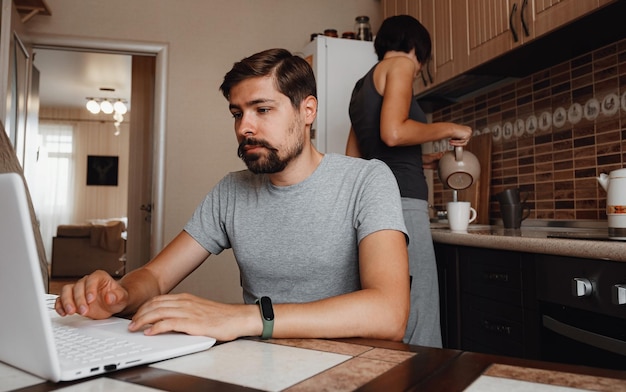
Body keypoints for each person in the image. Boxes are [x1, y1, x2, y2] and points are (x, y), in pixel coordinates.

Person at [55, 48, 411, 343]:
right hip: (259, 364)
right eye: (237, 113)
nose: (244, 127)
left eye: (262, 109)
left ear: (307, 111)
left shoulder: (367, 179)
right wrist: (117, 295)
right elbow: (157, 277)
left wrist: (246, 318)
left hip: (348, 366)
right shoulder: (231, 190)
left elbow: (389, 313)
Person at [346, 15, 472, 348]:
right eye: (421, 63)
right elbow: (394, 132)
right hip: (404, 204)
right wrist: (451, 128)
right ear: (414, 48)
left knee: (389, 309)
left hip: (372, 209)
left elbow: (354, 160)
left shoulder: (361, 87)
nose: (417, 71)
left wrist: (423, 159)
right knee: (419, 308)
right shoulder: (400, 65)